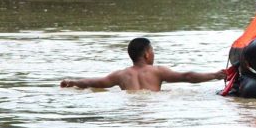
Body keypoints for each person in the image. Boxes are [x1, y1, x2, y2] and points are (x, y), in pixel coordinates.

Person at [60, 38, 226, 91]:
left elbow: (94, 82)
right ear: (147, 54)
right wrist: (215, 75)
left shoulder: (121, 75)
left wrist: (74, 82)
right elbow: (187, 76)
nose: (154, 53)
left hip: (131, 109)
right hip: (151, 108)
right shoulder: (157, 71)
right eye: (152, 50)